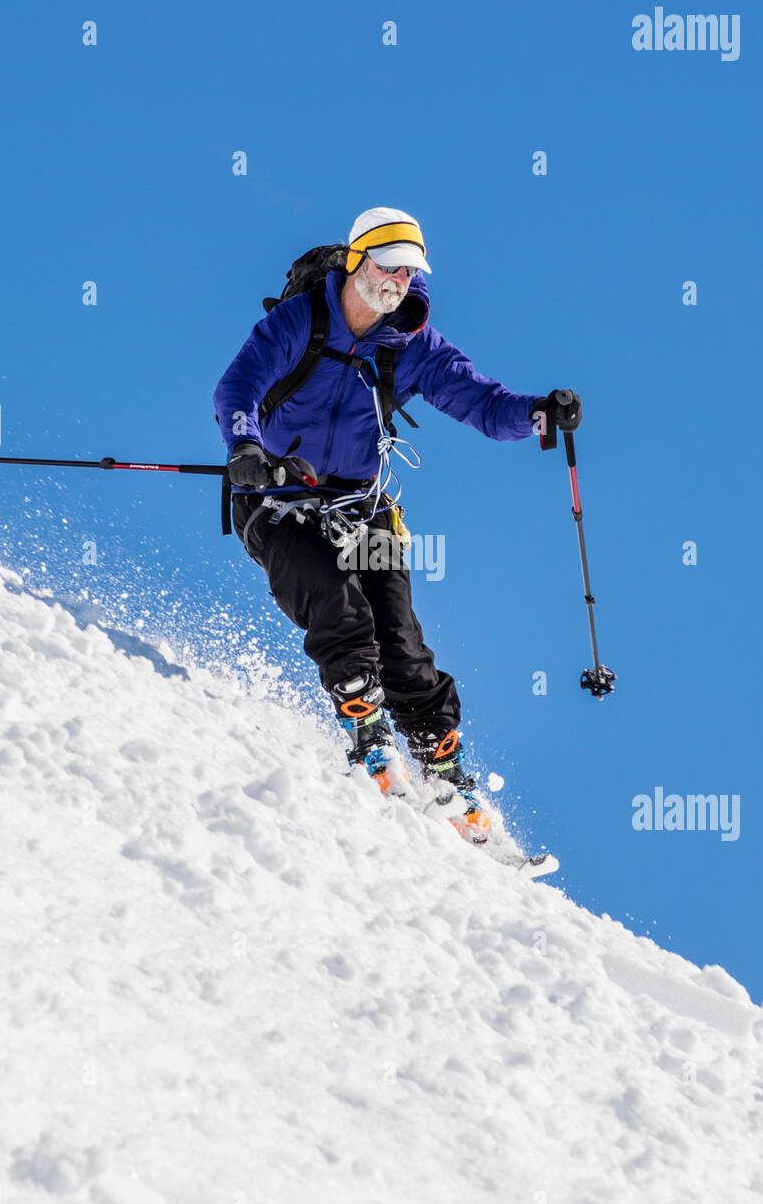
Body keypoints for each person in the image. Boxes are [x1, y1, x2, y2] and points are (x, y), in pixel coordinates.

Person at [214, 207, 581, 840]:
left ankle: (446, 771)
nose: (397, 283)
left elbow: (485, 404)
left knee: (403, 642)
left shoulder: (411, 345)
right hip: (277, 497)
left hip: (365, 507)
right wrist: (245, 447)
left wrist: (543, 415)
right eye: (388, 267)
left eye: (410, 273)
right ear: (357, 262)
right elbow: (238, 387)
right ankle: (370, 737)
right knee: (336, 603)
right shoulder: (299, 321)